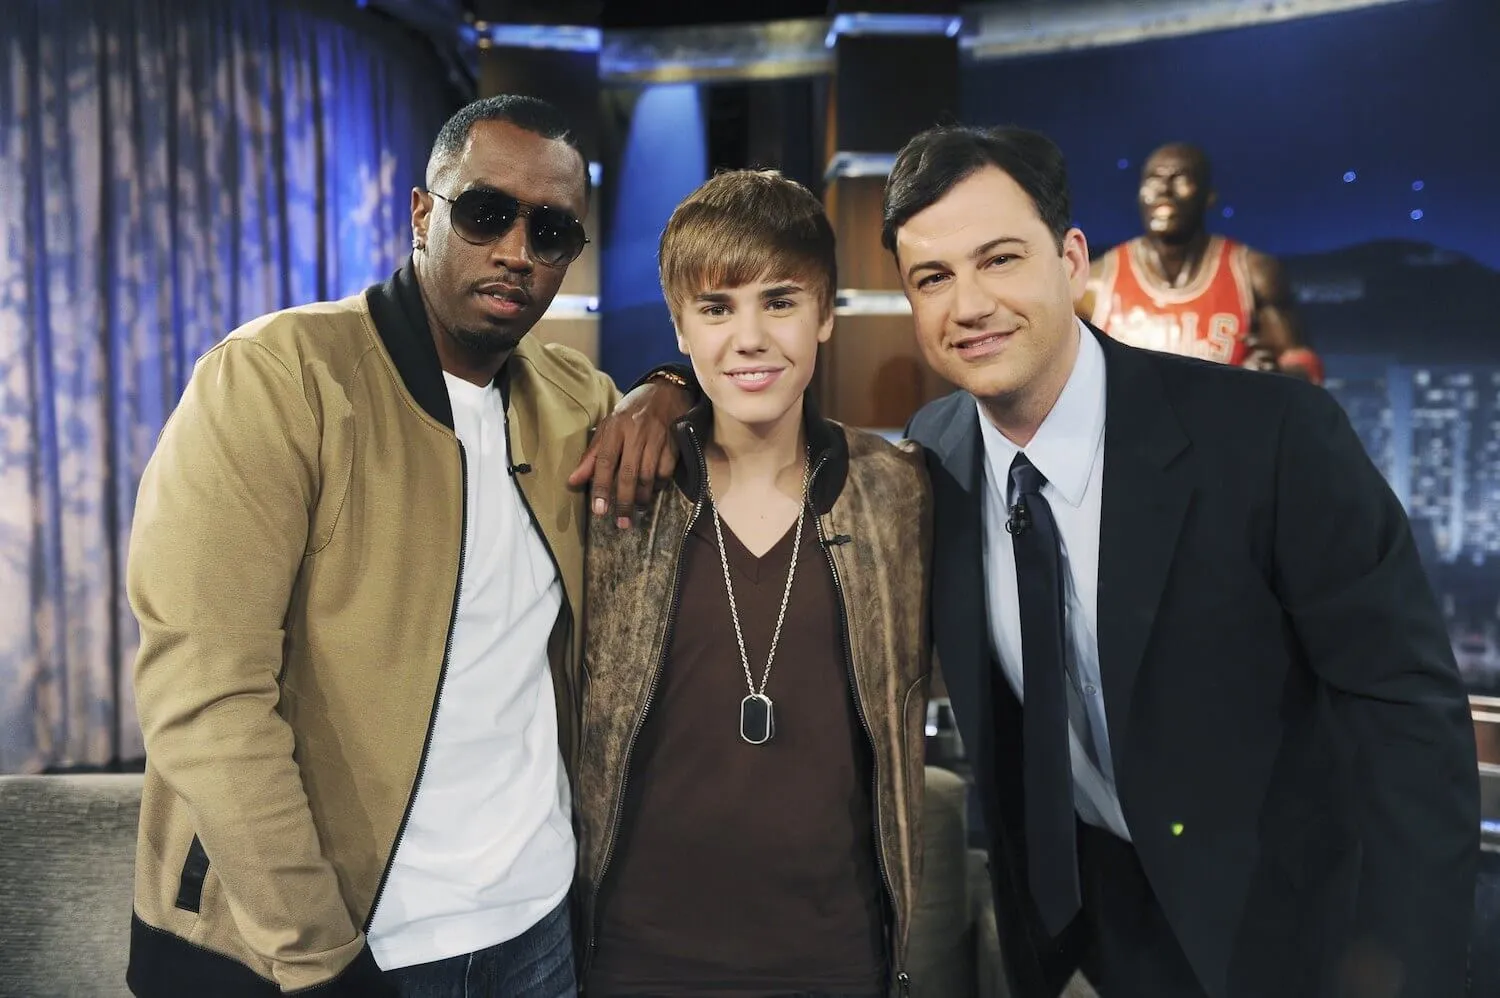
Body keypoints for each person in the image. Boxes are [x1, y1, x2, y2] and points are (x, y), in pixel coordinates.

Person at [888, 125, 1478, 997]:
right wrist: (669, 392)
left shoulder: (1274, 438)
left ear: (1072, 257)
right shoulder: (931, 456)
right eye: (932, 277)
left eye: (1000, 258)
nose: (968, 304)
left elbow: (1410, 724)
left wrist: (1400, 969)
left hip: (1290, 939)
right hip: (1078, 935)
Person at [125, 95, 692, 998]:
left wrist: (671, 385)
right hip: (324, 949)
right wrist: (318, 957)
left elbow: (680, 413)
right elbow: (204, 697)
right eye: (485, 212)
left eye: (551, 232)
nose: (516, 249)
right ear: (423, 212)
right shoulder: (275, 379)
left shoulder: (572, 396)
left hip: (536, 925)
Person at [572, 170, 933, 997]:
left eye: (779, 301)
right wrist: (660, 389)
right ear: (681, 327)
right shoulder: (620, 492)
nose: (750, 338)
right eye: (716, 308)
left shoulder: (902, 494)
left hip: (839, 957)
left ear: (827, 312)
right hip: (634, 957)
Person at [1078, 142, 1323, 383]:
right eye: (1153, 180)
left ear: (1209, 197)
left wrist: (1275, 380)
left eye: (1180, 179)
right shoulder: (1095, 285)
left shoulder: (1253, 274)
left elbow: (1304, 368)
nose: (1164, 190)